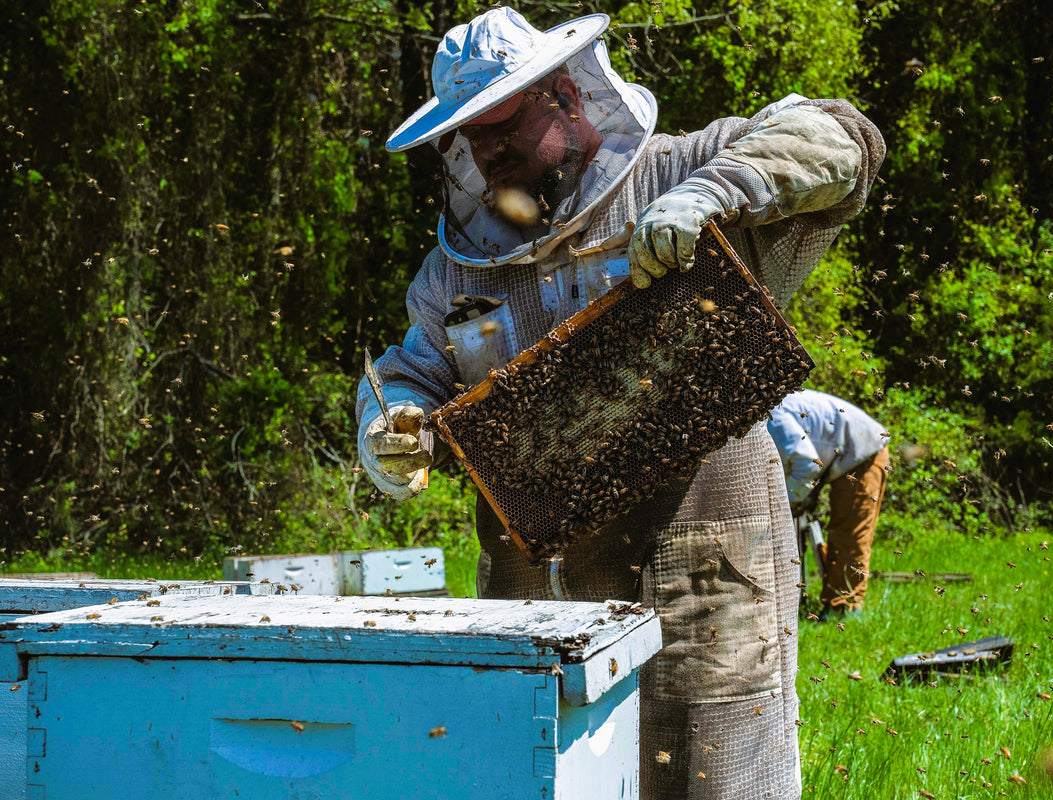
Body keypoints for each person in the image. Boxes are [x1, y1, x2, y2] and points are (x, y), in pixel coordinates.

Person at [356, 7, 884, 798]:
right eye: (469, 139)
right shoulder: (452, 272)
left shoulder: (677, 170)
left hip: (706, 580)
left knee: (717, 778)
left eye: (502, 126)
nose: (487, 153)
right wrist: (390, 424)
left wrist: (713, 194)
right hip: (535, 599)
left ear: (566, 95)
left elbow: (846, 139)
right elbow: (412, 376)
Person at [767, 389, 891, 618]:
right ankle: (831, 601)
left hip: (864, 450)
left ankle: (845, 608)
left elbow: (808, 464)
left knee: (850, 532)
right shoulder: (766, 416)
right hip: (839, 452)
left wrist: (790, 500)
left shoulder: (773, 417)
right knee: (838, 529)